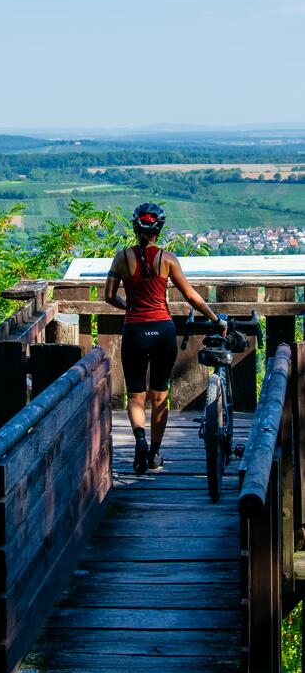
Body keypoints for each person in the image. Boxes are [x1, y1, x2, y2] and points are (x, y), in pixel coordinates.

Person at [105, 202, 227, 474]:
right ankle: (155, 454)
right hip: (163, 330)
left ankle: (140, 440)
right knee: (159, 396)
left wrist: (129, 307)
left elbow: (109, 296)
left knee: (135, 395)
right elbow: (191, 296)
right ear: (158, 231)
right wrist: (215, 319)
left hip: (135, 331)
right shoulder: (167, 259)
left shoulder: (121, 258)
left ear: (135, 228)